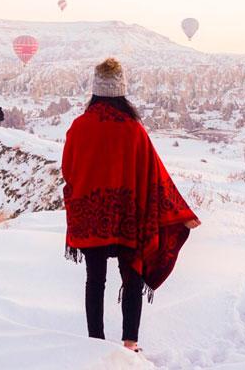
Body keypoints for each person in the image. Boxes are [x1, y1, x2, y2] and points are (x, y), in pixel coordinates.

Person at [62, 58, 200, 353]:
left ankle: (95, 342)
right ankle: (130, 343)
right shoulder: (133, 129)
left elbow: (68, 171)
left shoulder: (79, 126)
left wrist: (84, 195)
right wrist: (180, 212)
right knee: (132, 275)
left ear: (96, 91)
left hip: (90, 215)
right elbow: (155, 174)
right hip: (128, 216)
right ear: (122, 91)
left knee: (95, 279)